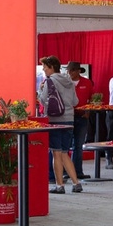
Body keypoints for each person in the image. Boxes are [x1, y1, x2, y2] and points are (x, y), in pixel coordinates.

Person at [38, 56, 83, 194]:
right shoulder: (69, 81)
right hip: (69, 120)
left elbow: (42, 99)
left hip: (55, 120)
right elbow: (76, 102)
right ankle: (76, 183)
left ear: (51, 67)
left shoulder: (49, 81)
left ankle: (59, 185)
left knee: (56, 153)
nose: (44, 69)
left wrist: (40, 91)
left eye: (45, 67)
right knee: (64, 153)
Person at [67, 61, 93, 179]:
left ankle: (78, 172)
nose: (70, 72)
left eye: (73, 70)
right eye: (69, 70)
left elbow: (91, 98)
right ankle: (65, 171)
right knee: (65, 146)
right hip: (67, 117)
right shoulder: (65, 83)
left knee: (78, 145)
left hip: (82, 116)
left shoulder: (87, 83)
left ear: (78, 71)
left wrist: (88, 112)